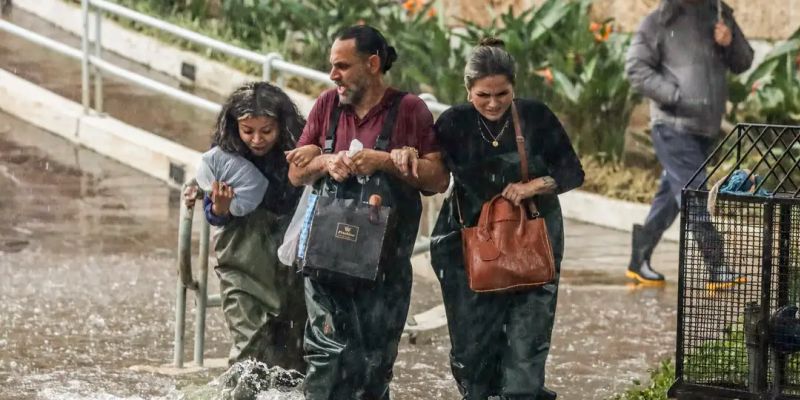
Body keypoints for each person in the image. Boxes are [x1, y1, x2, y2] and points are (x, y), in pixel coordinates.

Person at [287, 25, 449, 399]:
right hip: (326, 262)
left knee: (373, 369)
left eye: (342, 66)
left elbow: (438, 179)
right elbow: (296, 173)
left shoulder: (410, 110)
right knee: (328, 359)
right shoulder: (327, 105)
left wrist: (387, 161)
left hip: (385, 270)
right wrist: (326, 162)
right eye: (332, 66)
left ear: (373, 64)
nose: (333, 75)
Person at [430, 38, 584, 400]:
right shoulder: (453, 122)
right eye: (484, 95)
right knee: (471, 351)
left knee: (527, 345)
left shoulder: (536, 116)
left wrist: (533, 187)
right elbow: (435, 176)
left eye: (502, 93)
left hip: (532, 241)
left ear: (514, 87)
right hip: (468, 244)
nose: (494, 103)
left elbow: (573, 172)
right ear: (468, 91)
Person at [625, 0, 753, 287]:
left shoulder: (720, 13)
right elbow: (636, 68)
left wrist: (729, 42)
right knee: (694, 193)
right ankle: (717, 265)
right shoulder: (660, 19)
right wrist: (675, 95)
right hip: (672, 125)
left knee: (670, 196)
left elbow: (743, 62)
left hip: (705, 127)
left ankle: (638, 260)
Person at [185, 82, 312, 370]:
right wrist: (219, 207)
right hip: (242, 267)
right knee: (248, 351)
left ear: (282, 126)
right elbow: (214, 214)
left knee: (293, 353)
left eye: (266, 131)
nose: (256, 140)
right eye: (248, 131)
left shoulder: (298, 151)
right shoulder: (225, 156)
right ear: (234, 128)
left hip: (291, 266)